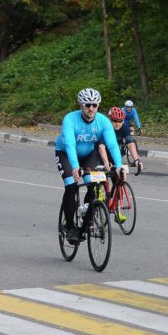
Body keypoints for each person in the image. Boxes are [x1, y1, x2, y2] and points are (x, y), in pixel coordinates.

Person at [55, 88, 125, 244]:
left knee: (94, 186)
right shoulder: (70, 119)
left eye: (94, 105)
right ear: (81, 105)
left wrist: (119, 166)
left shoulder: (103, 121)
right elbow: (70, 145)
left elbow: (112, 145)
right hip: (66, 153)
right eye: (88, 105)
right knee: (71, 186)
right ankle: (71, 228)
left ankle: (86, 222)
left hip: (88, 155)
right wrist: (74, 166)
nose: (91, 108)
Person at [98, 106, 143, 172]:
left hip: (114, 154)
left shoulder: (125, 127)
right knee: (103, 180)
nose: (118, 124)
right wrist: (106, 163)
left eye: (120, 121)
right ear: (110, 120)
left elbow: (130, 143)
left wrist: (136, 160)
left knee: (120, 179)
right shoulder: (104, 128)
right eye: (115, 121)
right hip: (100, 155)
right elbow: (101, 147)